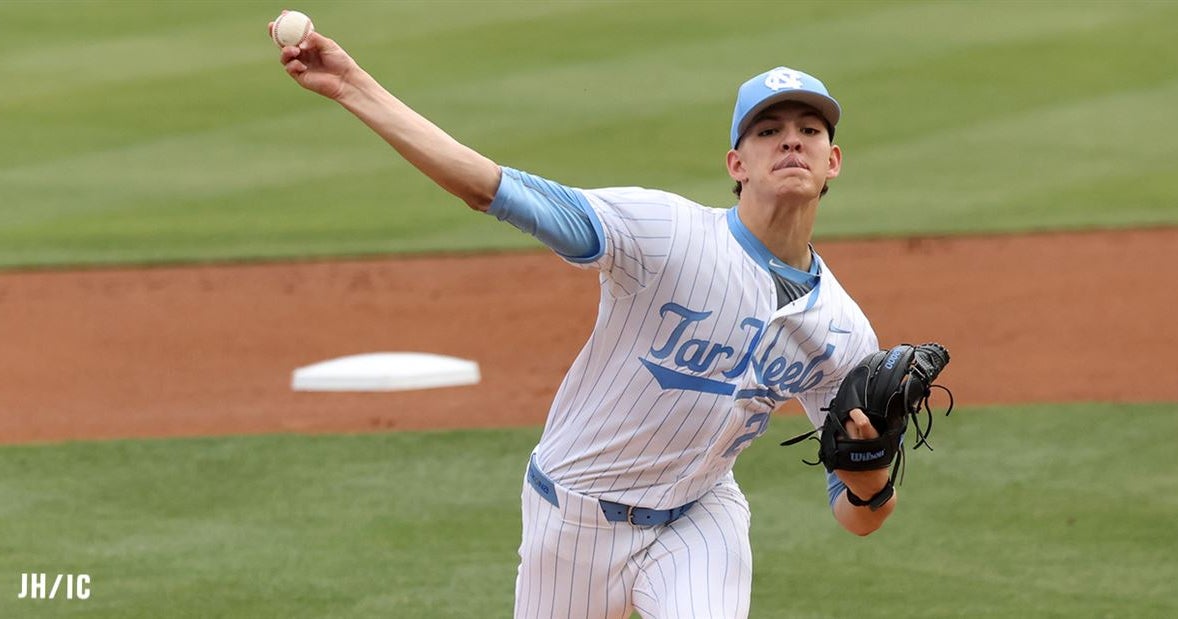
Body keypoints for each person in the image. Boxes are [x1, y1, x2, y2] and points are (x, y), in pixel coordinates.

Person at [274, 23, 895, 619]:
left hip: (700, 517)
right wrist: (354, 86)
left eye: (809, 129)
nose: (791, 141)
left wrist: (869, 481)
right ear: (736, 164)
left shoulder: (843, 330)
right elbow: (492, 188)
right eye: (769, 131)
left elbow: (858, 515)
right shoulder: (664, 234)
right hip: (571, 517)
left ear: (832, 160)